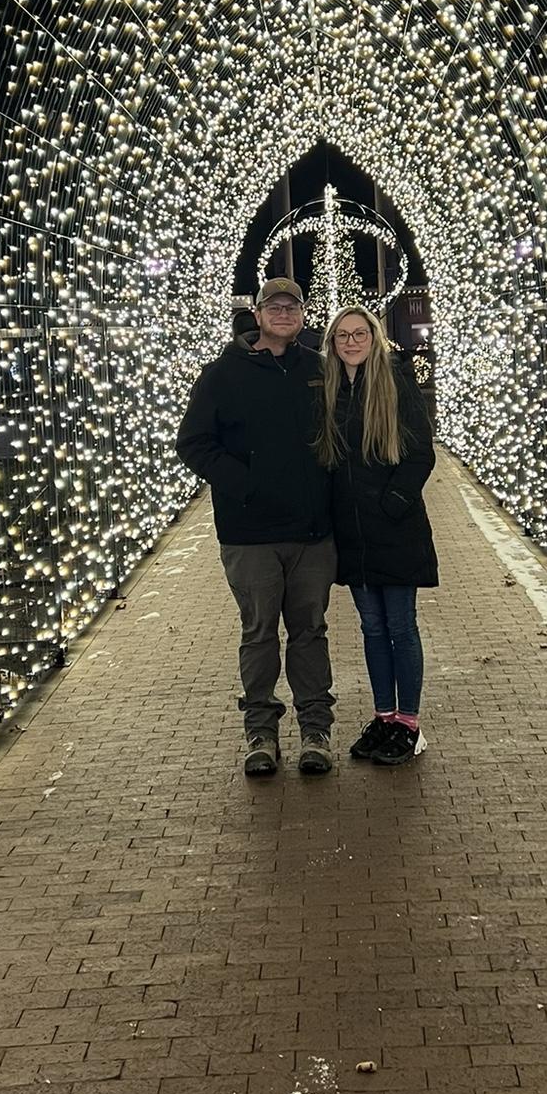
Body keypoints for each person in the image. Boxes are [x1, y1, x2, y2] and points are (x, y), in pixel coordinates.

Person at [176, 278, 337, 776]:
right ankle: (261, 734)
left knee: (310, 631)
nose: (284, 313)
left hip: (312, 532)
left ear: (304, 315)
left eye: (293, 306)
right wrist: (246, 484)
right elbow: (194, 443)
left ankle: (316, 731)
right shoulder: (222, 374)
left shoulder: (319, 369)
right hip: (250, 534)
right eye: (275, 305)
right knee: (260, 632)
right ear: (258, 313)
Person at [317, 305, 437, 766]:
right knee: (372, 628)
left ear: (374, 337)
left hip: (394, 527)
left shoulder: (395, 380)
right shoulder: (328, 390)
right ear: (332, 343)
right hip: (353, 532)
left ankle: (408, 723)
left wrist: (393, 504)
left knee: (401, 627)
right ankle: (383, 716)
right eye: (342, 335)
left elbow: (420, 452)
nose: (351, 342)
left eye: (359, 333)